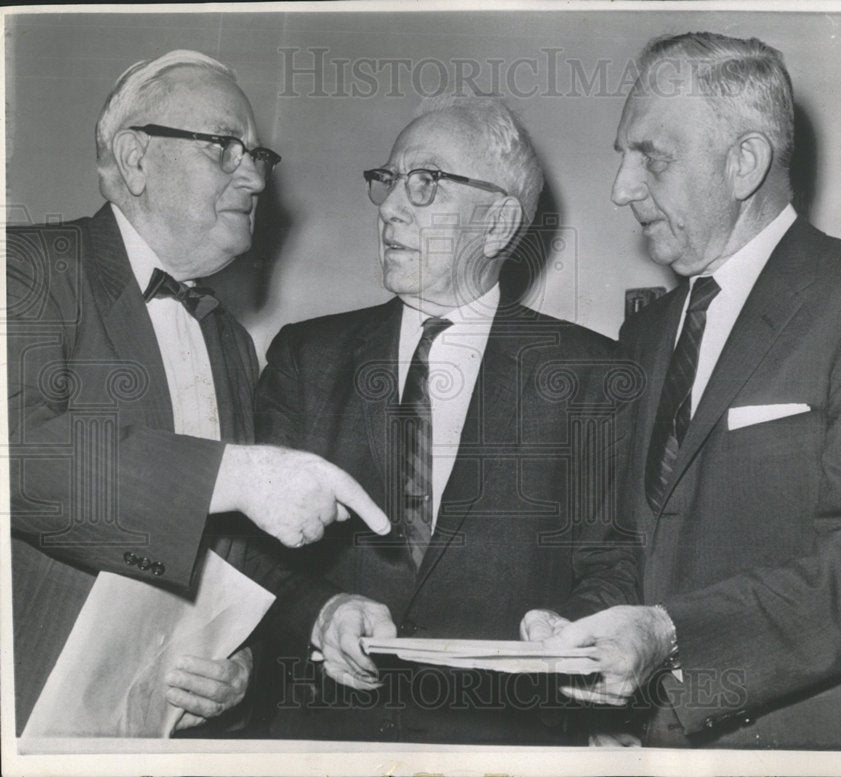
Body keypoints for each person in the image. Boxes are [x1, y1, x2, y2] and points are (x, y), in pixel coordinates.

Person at [6, 49, 389, 736]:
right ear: (135, 157)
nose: (255, 175)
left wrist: (242, 658)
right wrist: (236, 472)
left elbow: (234, 551)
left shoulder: (232, 342)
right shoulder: (27, 268)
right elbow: (15, 452)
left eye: (257, 154)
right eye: (224, 146)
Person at [253, 96, 638, 744]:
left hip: (504, 741)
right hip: (320, 736)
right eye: (389, 180)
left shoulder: (589, 375)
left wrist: (566, 630)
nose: (391, 206)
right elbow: (244, 550)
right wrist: (318, 610)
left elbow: (614, 566)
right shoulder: (304, 357)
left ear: (497, 224)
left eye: (425, 183)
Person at [532, 32, 841, 748]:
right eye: (623, 157)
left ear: (743, 162)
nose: (622, 188)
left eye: (649, 156)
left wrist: (670, 634)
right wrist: (587, 633)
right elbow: (634, 540)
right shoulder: (645, 334)